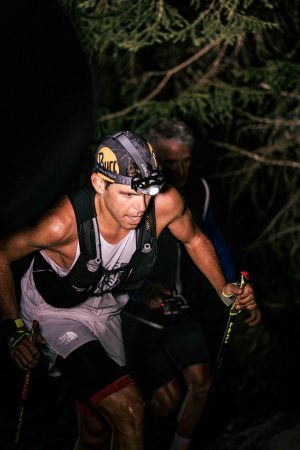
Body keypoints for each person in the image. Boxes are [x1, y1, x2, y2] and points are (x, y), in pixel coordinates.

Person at [0, 130, 257, 450]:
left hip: (107, 308)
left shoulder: (164, 204)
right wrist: (14, 329)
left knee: (97, 428)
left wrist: (224, 288)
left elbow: (194, 239)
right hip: (55, 313)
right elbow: (3, 254)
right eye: (128, 195)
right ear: (99, 184)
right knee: (129, 407)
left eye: (146, 192)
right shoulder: (62, 225)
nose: (140, 207)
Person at [122, 119, 261, 450]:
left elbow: (213, 241)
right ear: (155, 158)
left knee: (201, 384)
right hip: (138, 314)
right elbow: (116, 256)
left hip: (182, 305)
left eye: (186, 161)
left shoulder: (201, 190)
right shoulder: (133, 195)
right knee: (166, 400)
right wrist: (140, 292)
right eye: (172, 163)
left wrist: (230, 289)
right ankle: (128, 430)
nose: (181, 171)